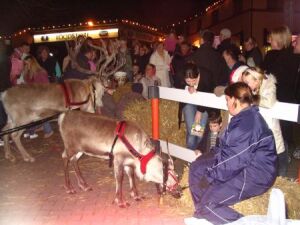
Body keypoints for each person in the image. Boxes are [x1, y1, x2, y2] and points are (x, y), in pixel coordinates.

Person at [185, 82, 277, 225]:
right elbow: (225, 149)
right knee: (196, 168)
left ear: (235, 100)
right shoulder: (242, 117)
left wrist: (209, 177)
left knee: (208, 204)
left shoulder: (246, 125)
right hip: (242, 163)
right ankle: (203, 213)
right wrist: (203, 160)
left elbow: (232, 162)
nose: (226, 104)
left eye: (227, 100)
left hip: (255, 173)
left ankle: (208, 210)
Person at [261, 25, 299, 160]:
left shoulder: (272, 56)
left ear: (278, 39)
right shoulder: (293, 55)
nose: (269, 41)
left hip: (274, 98)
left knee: (275, 129)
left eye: (271, 38)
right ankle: (287, 152)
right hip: (288, 98)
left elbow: (263, 76)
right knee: (285, 129)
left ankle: (280, 157)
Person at [179, 63, 214, 150]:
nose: (191, 83)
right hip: (189, 102)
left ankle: (197, 153)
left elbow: (209, 94)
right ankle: (190, 154)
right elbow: (178, 85)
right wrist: (187, 87)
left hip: (204, 104)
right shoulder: (181, 75)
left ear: (198, 75)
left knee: (199, 132)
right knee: (192, 130)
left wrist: (199, 111)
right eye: (188, 81)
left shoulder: (206, 76)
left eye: (193, 80)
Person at [23, 55, 54, 139]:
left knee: (41, 113)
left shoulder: (41, 72)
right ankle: (32, 129)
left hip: (41, 96)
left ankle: (48, 130)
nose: (27, 65)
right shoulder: (28, 73)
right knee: (33, 114)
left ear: (33, 63)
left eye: (28, 63)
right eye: (25, 64)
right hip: (32, 96)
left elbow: (47, 86)